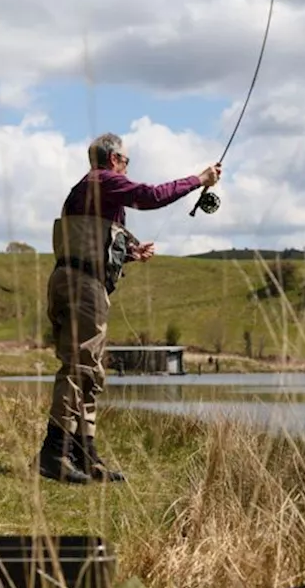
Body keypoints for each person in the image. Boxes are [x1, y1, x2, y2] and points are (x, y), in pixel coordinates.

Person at [38, 132, 221, 484]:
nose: (127, 168)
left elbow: (90, 244)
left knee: (89, 371)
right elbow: (149, 196)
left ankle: (84, 455)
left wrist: (130, 255)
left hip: (69, 280)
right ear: (113, 160)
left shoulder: (85, 190)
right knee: (79, 369)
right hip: (84, 287)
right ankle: (54, 453)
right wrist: (200, 180)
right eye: (127, 162)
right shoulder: (104, 180)